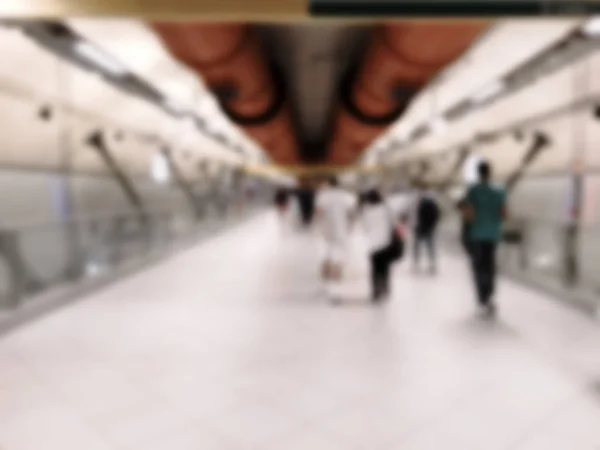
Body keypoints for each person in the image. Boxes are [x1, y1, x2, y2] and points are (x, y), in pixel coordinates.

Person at [463, 161, 508, 318]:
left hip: (477, 234)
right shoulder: (500, 191)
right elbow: (503, 214)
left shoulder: (473, 191)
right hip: (493, 234)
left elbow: (469, 214)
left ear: (478, 173)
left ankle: (481, 298)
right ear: (490, 172)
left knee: (478, 266)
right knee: (490, 265)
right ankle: (490, 295)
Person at [360, 188, 403, 302]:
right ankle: (385, 288)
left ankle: (376, 291)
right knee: (385, 268)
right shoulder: (386, 210)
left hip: (373, 244)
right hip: (386, 243)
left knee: (375, 269)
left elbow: (365, 227)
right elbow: (395, 225)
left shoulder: (366, 211)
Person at [314, 176, 357, 283]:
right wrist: (351, 225)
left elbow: (319, 211)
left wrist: (318, 223)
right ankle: (336, 269)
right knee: (341, 248)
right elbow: (351, 212)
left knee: (327, 247)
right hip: (341, 225)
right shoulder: (345, 196)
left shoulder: (322, 195)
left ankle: (327, 267)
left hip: (326, 226)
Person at [412, 182, 441, 274]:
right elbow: (437, 213)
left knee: (417, 246)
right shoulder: (432, 199)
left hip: (420, 226)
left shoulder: (418, 199)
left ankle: (416, 263)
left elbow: (415, 213)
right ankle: (432, 264)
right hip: (430, 227)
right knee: (430, 246)